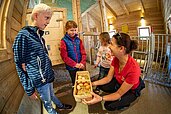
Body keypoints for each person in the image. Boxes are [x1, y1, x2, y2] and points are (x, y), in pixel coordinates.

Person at [13, 3, 72, 114]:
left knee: (52, 94)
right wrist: (29, 89)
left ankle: (60, 105)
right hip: (40, 80)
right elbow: (19, 64)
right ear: (36, 16)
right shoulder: (23, 36)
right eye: (46, 18)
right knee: (47, 101)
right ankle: (52, 111)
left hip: (47, 76)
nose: (49, 22)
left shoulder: (39, 36)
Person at [83, 33, 145, 111]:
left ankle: (125, 102)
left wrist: (100, 98)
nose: (109, 46)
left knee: (109, 106)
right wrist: (92, 83)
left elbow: (118, 94)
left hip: (131, 90)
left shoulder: (134, 69)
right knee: (102, 86)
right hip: (120, 82)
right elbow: (108, 78)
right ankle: (117, 93)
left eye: (111, 44)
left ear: (121, 48)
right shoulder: (116, 59)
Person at [60, 20, 86, 85]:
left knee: (82, 80)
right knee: (75, 81)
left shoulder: (79, 40)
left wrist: (82, 63)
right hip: (72, 67)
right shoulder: (63, 41)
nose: (73, 32)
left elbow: (83, 53)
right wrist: (74, 64)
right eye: (71, 30)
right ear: (66, 30)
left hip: (80, 65)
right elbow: (64, 57)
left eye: (75, 30)